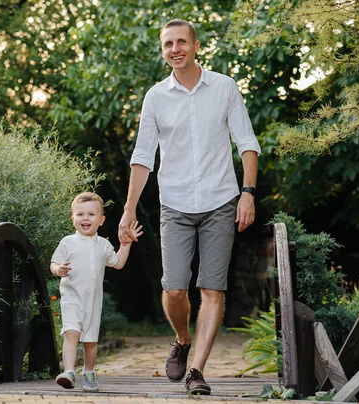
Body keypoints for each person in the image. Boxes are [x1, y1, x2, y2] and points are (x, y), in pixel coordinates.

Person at [118, 19, 261, 395]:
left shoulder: (225, 88)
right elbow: (143, 156)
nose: (175, 49)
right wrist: (129, 208)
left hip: (220, 200)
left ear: (196, 46)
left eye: (182, 42)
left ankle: (197, 370)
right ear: (163, 50)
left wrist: (247, 192)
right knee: (175, 288)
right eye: (168, 44)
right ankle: (182, 339)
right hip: (175, 203)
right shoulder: (156, 97)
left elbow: (246, 142)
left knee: (212, 288)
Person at [52, 192, 142, 392]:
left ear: (101, 220)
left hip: (93, 301)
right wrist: (58, 269)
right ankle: (68, 372)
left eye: (91, 215)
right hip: (72, 298)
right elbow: (54, 262)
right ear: (72, 218)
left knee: (90, 341)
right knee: (71, 333)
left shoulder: (103, 245)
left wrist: (125, 244)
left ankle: (89, 372)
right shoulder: (67, 242)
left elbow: (117, 263)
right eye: (80, 214)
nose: (85, 219)